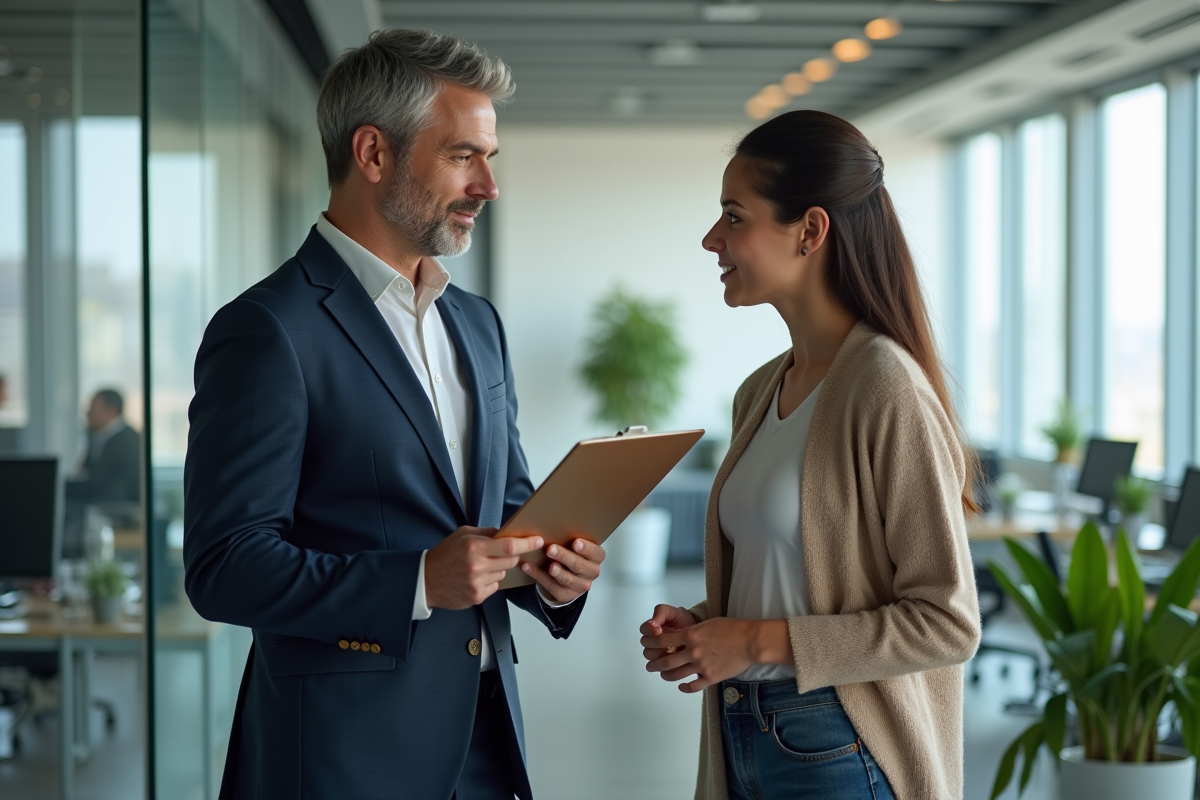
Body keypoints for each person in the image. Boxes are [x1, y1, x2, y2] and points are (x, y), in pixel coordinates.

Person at [183, 30, 605, 800]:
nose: (488, 186)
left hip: (484, 746)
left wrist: (553, 577)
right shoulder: (269, 329)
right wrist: (414, 581)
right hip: (339, 758)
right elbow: (224, 568)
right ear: (373, 154)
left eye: (490, 158)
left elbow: (507, 509)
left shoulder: (477, 324)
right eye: (462, 156)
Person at [639, 111, 981, 800]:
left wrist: (756, 642)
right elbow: (805, 580)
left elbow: (947, 622)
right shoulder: (760, 390)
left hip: (840, 743)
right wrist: (708, 627)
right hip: (744, 727)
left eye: (734, 217)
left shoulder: (885, 387)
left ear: (811, 230)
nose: (712, 239)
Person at [78, 388, 140, 504]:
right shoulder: (97, 438)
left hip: (122, 513)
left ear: (111, 411)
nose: (87, 414)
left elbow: (119, 488)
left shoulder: (129, 442)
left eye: (93, 408)